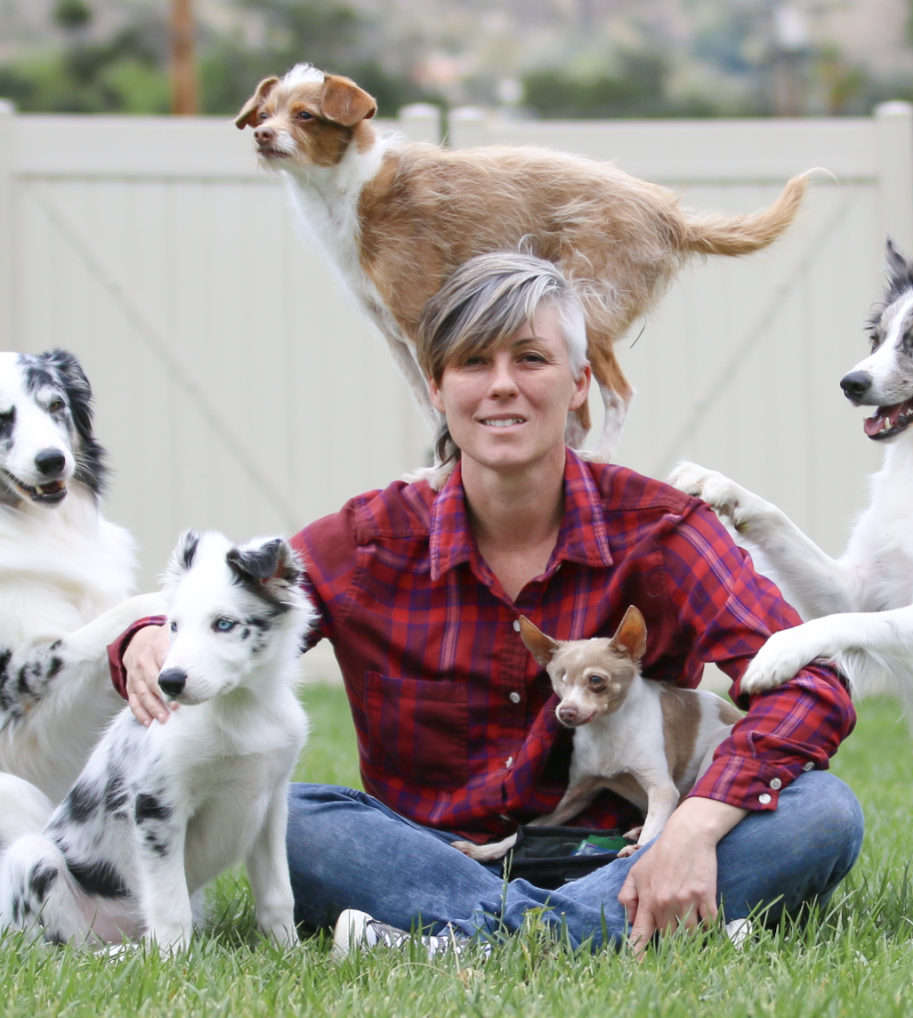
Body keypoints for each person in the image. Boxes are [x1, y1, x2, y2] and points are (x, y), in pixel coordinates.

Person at [113, 251, 863, 955]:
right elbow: (230, 600)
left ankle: (460, 941)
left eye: (530, 358)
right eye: (475, 361)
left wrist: (694, 825)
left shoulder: (663, 531)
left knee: (821, 812)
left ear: (577, 383)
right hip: (426, 858)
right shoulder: (369, 542)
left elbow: (814, 684)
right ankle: (601, 933)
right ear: (437, 388)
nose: (502, 384)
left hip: (625, 848)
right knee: (300, 817)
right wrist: (147, 631)